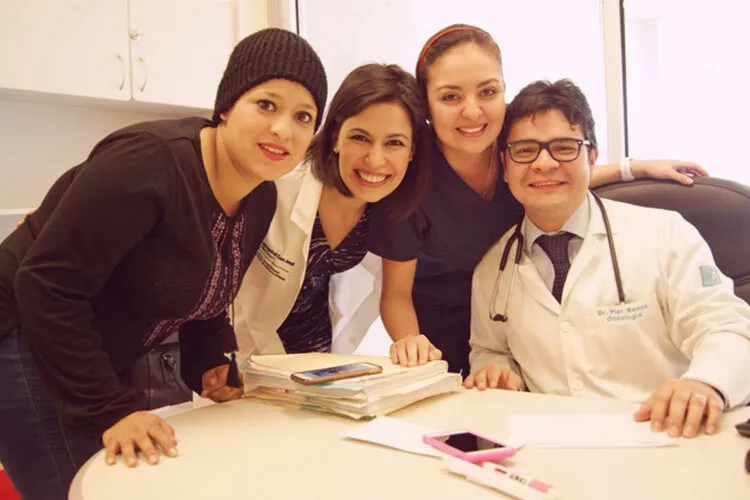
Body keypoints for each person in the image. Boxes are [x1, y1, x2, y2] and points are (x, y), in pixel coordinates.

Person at [0, 28, 327, 500]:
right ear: (228, 106)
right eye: (267, 105)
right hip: (21, 334)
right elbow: (47, 284)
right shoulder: (150, 164)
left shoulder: (260, 198)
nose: (284, 130)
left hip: (94, 347)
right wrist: (108, 412)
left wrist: (208, 360)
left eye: (304, 116)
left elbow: (212, 287)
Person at [368, 24, 708, 375]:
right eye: (450, 97)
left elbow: (557, 170)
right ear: (426, 104)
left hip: (526, 329)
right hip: (441, 340)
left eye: (487, 91)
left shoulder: (512, 139)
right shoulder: (412, 177)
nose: (472, 112)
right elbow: (395, 295)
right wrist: (414, 350)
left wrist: (632, 167)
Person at [465, 78, 750, 439]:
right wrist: (496, 369)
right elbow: (489, 349)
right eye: (525, 150)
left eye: (564, 147)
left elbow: (726, 327)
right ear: (505, 165)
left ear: (592, 157)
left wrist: (705, 384)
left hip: (662, 437)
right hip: (551, 450)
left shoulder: (664, 235)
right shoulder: (492, 267)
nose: (544, 163)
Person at [230, 63, 429, 368]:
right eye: (360, 137)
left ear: (412, 150)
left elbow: (396, 294)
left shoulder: (394, 205)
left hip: (315, 353)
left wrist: (411, 345)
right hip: (240, 345)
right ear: (335, 136)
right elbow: (222, 281)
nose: (375, 159)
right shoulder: (279, 186)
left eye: (394, 143)